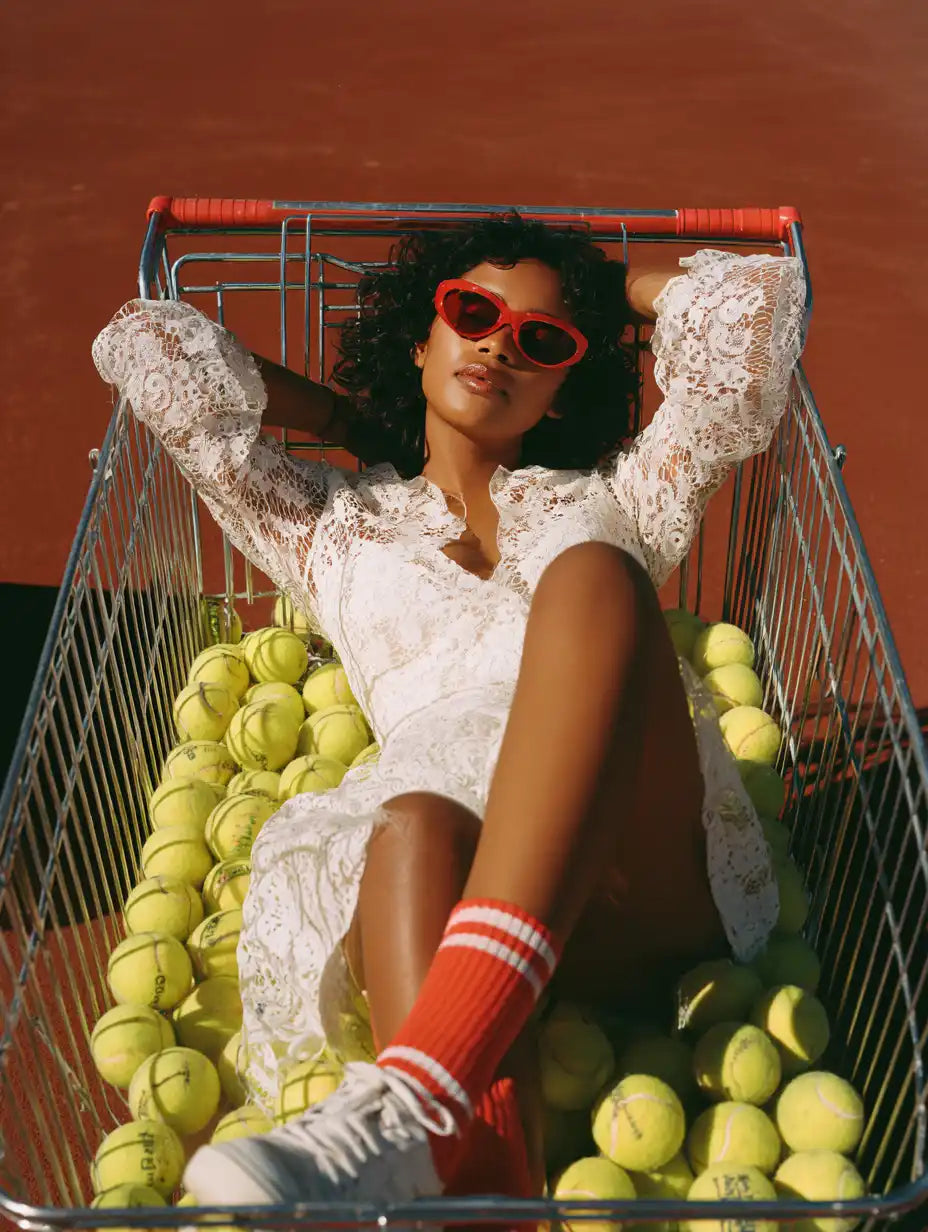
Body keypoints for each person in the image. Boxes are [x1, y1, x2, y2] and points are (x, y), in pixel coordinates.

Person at [91, 212, 806, 1207]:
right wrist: (347, 421)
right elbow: (149, 344)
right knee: (414, 823)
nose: (499, 342)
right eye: (472, 312)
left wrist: (595, 281)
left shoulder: (614, 497)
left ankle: (416, 1091)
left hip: (632, 877)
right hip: (459, 878)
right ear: (419, 337)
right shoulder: (327, 525)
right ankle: (480, 1156)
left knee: (594, 574)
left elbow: (757, 301)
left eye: (542, 338)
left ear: (563, 385)